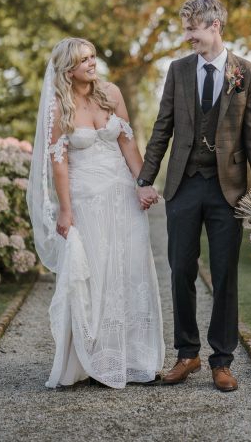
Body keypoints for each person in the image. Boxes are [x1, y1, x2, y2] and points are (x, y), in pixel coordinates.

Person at [136, 0, 251, 392]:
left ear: (214, 26)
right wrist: (145, 179)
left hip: (228, 190)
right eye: (185, 29)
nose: (187, 37)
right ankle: (187, 354)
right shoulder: (178, 70)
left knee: (225, 273)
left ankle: (222, 360)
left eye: (192, 29)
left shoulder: (246, 72)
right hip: (183, 184)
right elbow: (162, 128)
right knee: (180, 268)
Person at [27, 37, 164, 389]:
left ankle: (133, 358)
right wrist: (65, 211)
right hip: (86, 200)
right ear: (68, 70)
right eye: (83, 60)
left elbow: (127, 143)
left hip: (122, 196)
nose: (92, 63)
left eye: (92, 56)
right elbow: (59, 163)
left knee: (130, 270)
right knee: (96, 274)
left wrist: (142, 183)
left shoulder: (111, 93)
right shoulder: (59, 105)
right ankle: (97, 357)